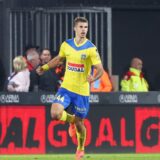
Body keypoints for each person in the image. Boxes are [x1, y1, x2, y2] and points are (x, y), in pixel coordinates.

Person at [37, 17, 103, 160]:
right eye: (81, 27)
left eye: (86, 27)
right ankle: (71, 121)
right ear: (75, 28)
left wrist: (94, 78)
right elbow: (58, 59)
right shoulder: (66, 44)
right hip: (66, 88)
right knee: (55, 114)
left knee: (80, 124)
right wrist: (45, 67)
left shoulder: (91, 48)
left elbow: (100, 69)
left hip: (82, 92)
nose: (83, 30)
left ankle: (80, 148)